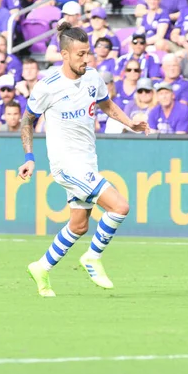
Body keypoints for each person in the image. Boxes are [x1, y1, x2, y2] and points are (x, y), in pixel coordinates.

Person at [20, 22, 148, 297]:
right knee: (119, 207)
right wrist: (29, 157)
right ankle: (92, 257)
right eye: (80, 54)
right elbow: (27, 121)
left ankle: (41, 267)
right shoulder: (47, 87)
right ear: (64, 55)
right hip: (66, 165)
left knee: (79, 224)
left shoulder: (92, 77)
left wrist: (129, 123)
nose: (86, 59)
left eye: (87, 53)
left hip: (87, 160)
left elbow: (107, 105)